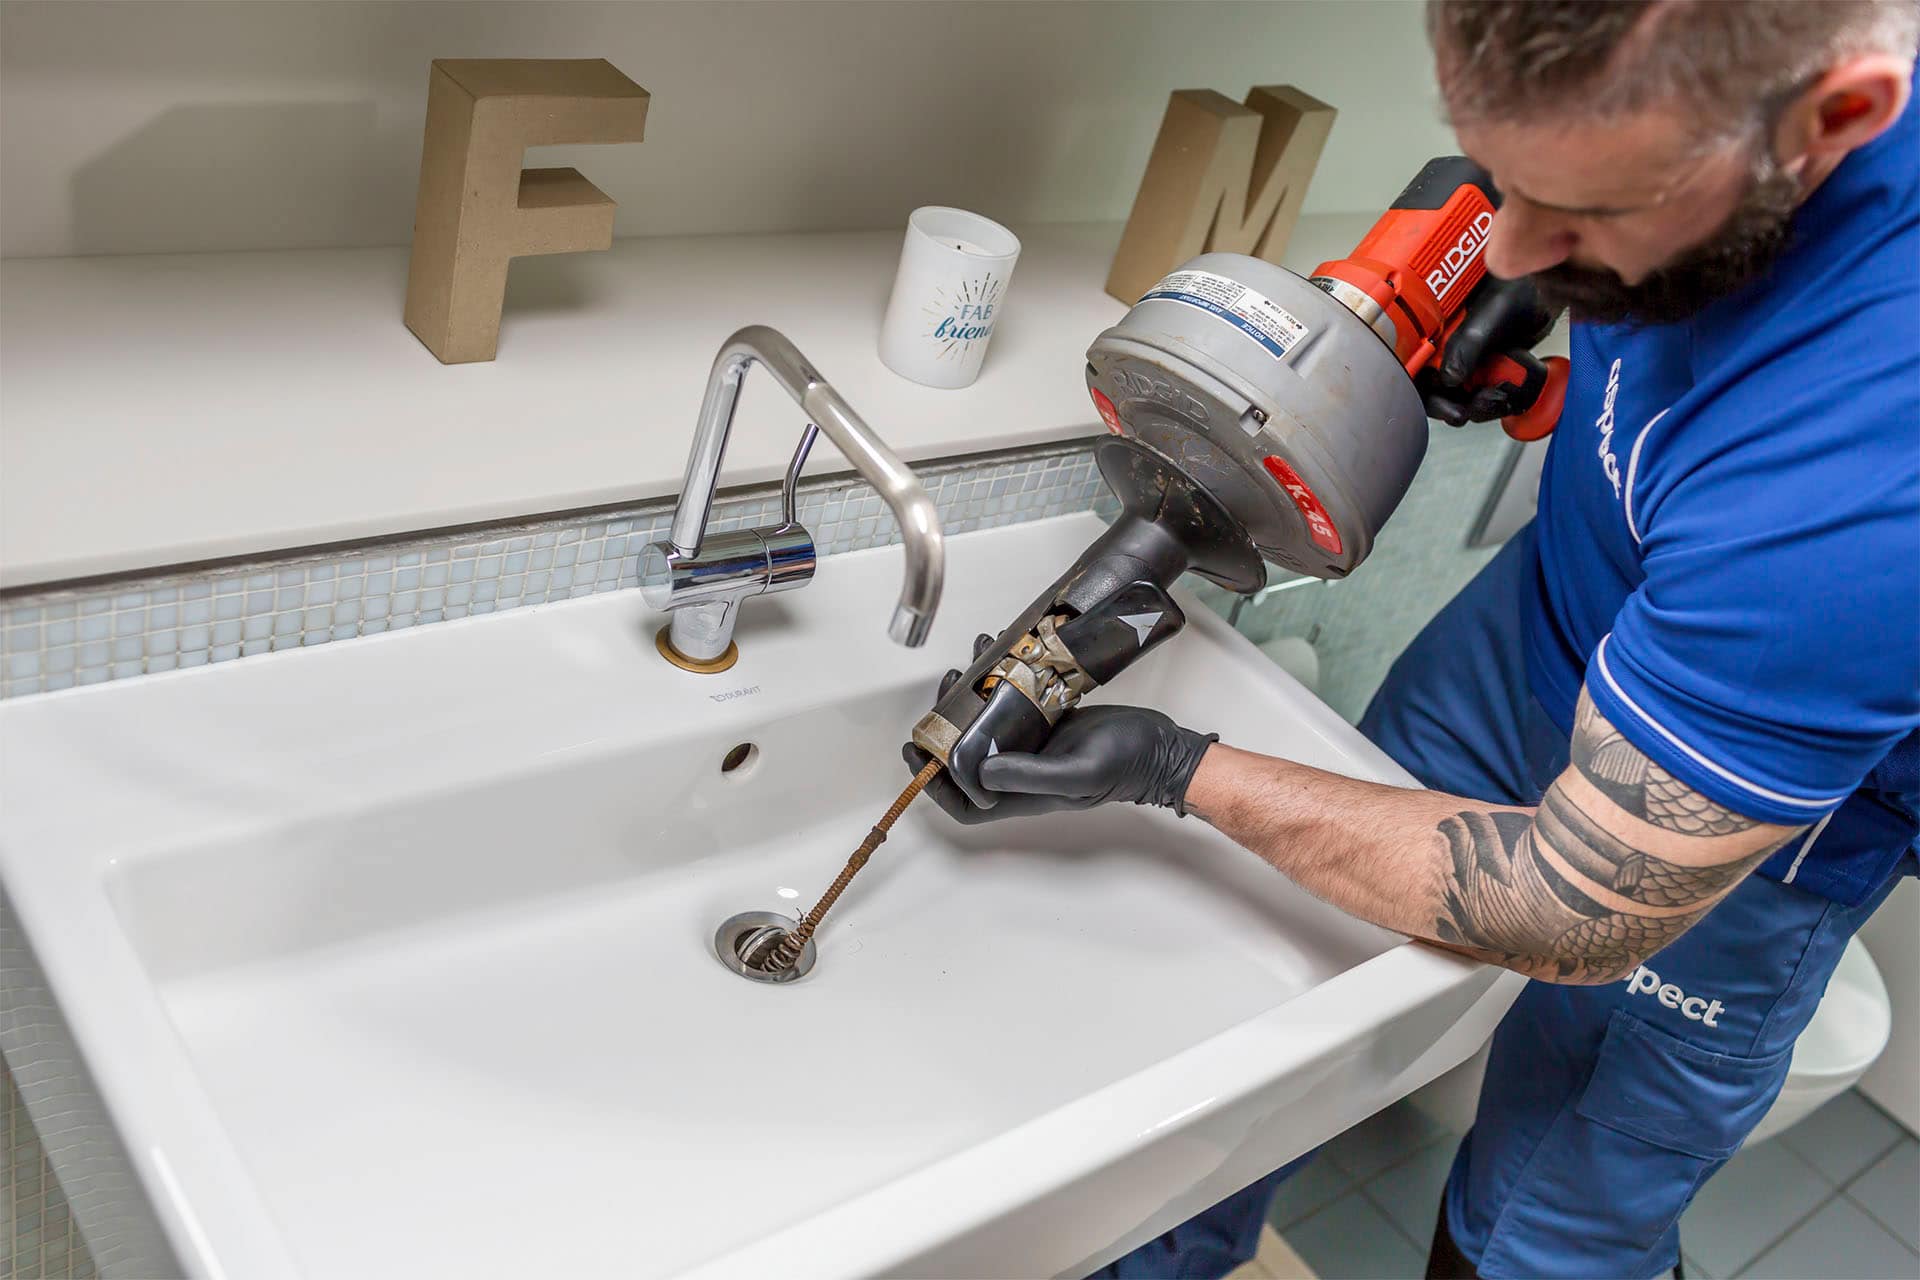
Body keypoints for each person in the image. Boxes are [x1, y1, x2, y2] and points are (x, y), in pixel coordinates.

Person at [907, 2, 1920, 1277]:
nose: (1515, 242)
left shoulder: (1873, 486)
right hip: (1541, 622)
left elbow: (1570, 908)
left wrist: (1174, 768)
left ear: (1835, 122)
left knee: (1548, 1227)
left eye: (1584, 211)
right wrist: (1527, 282)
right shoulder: (1674, 108)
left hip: (1737, 836)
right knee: (1288, 985)